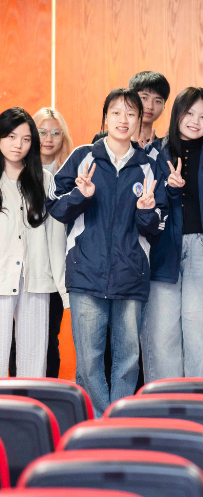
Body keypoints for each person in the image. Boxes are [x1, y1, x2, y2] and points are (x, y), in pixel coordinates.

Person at [48, 88, 166, 417]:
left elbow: (157, 226)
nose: (123, 119)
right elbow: (55, 207)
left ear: (139, 119)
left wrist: (146, 212)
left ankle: (120, 422)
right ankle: (100, 423)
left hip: (131, 274)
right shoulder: (83, 157)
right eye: (116, 112)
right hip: (86, 273)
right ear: (105, 118)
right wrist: (81, 196)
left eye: (130, 113)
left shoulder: (148, 165)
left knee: (127, 361)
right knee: (89, 362)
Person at [142, 87, 203, 382]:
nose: (196, 121)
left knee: (199, 336)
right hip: (163, 250)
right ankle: (163, 402)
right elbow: (146, 209)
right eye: (190, 113)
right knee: (161, 334)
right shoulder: (154, 154)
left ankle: (200, 402)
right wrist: (170, 189)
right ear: (177, 113)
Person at [0, 108, 67, 378]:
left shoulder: (45, 181)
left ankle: (28, 407)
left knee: (33, 366)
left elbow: (56, 240)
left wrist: (64, 290)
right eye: (11, 136)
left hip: (36, 282)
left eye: (26, 139)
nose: (18, 145)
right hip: (1, 279)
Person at [32, 106, 73, 378]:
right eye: (42, 132)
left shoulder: (71, 174)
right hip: (25, 274)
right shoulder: (14, 172)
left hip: (58, 275)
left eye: (56, 133)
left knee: (49, 342)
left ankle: (48, 399)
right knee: (17, 344)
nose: (48, 138)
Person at [129, 71, 170, 150]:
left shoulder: (164, 149)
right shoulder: (108, 140)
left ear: (163, 107)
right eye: (144, 98)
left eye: (157, 101)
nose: (150, 106)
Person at [34, 107, 74, 173]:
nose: (49, 139)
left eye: (55, 133)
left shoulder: (73, 167)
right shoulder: (19, 165)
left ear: (63, 136)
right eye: (42, 132)